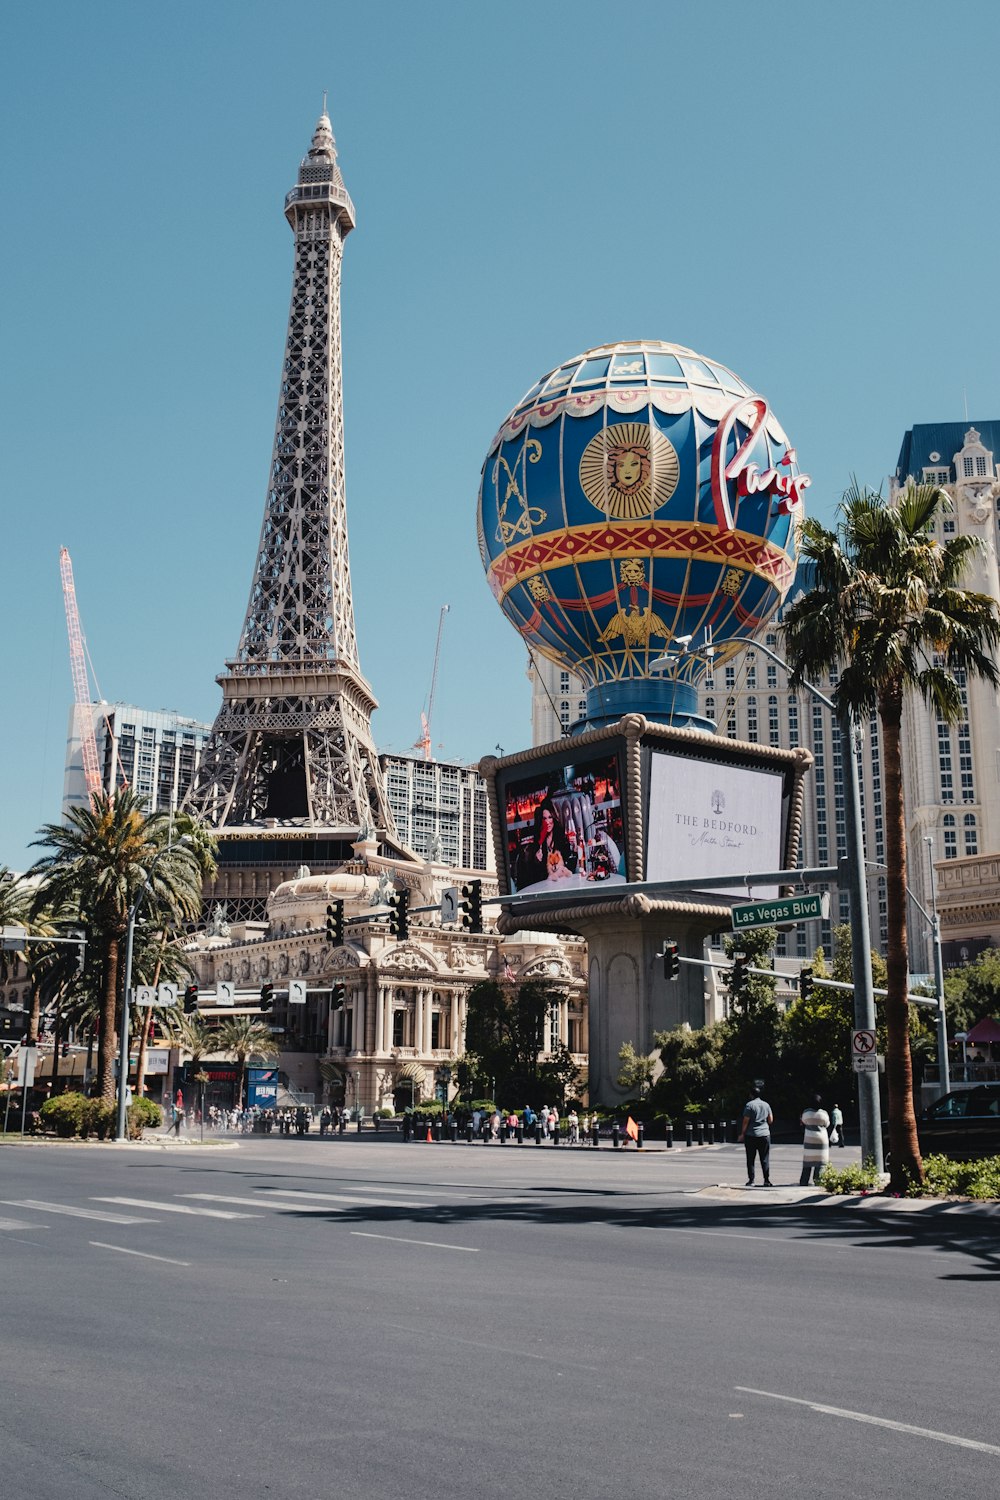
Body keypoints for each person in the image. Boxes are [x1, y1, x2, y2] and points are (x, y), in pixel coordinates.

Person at [515, 799, 577, 890]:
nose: (547, 822)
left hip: (563, 884)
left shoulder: (561, 838)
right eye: (544, 818)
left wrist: (574, 851)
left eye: (550, 817)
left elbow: (570, 867)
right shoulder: (537, 843)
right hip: (546, 886)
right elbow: (535, 876)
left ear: (554, 818)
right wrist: (536, 861)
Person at [738, 1086, 773, 1186]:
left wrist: (742, 1133)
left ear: (751, 1095)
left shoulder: (749, 1105)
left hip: (751, 1135)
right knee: (765, 1158)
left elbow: (745, 1121)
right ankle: (766, 1180)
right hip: (765, 1134)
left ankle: (751, 1180)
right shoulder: (766, 1105)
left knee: (750, 1159)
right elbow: (770, 1120)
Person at [799, 1095, 831, 1185]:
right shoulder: (824, 1114)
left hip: (809, 1139)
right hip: (822, 1139)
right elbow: (827, 1124)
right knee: (820, 1162)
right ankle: (818, 1181)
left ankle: (804, 1181)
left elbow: (804, 1121)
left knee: (808, 1161)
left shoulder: (806, 1112)